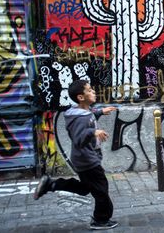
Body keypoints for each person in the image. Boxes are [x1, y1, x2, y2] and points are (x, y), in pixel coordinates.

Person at [33, 80, 118, 230]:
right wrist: (93, 132)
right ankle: (100, 220)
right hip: (88, 161)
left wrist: (100, 112)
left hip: (82, 159)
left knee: (86, 188)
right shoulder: (82, 117)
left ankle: (51, 184)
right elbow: (79, 138)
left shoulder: (83, 112)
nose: (93, 92)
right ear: (81, 97)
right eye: (90, 90)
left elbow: (89, 117)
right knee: (101, 190)